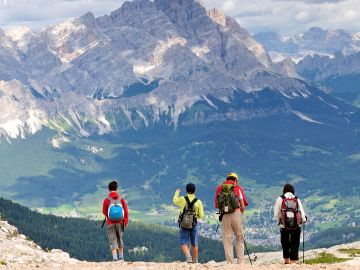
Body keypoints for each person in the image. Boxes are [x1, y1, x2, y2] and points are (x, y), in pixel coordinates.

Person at [214, 172, 247, 264]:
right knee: (239, 237)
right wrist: (240, 213)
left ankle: (230, 262)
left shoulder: (220, 188)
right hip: (236, 212)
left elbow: (217, 204)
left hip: (225, 215)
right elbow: (243, 205)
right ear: (235, 180)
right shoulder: (238, 188)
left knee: (227, 238)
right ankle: (240, 262)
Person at [274, 183, 307, 264]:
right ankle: (293, 262)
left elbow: (276, 214)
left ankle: (286, 261)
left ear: (284, 191)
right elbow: (302, 213)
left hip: (284, 226)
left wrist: (279, 222)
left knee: (285, 242)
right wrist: (304, 220)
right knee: (295, 243)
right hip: (296, 226)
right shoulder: (296, 199)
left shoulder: (280, 199)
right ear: (293, 191)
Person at [173, 183, 204, 263]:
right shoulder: (198, 202)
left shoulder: (182, 199)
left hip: (184, 223)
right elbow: (201, 215)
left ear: (186, 191)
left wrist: (177, 192)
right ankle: (196, 261)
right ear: (195, 191)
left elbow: (175, 201)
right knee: (194, 243)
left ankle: (188, 257)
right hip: (194, 224)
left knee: (183, 241)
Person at [102, 180, 129, 261]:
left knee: (112, 239)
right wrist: (126, 221)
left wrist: (109, 217)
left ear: (109, 189)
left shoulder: (107, 200)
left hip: (110, 222)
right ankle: (121, 257)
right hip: (120, 222)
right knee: (119, 238)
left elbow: (104, 211)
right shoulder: (121, 199)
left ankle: (115, 258)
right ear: (117, 188)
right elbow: (126, 211)